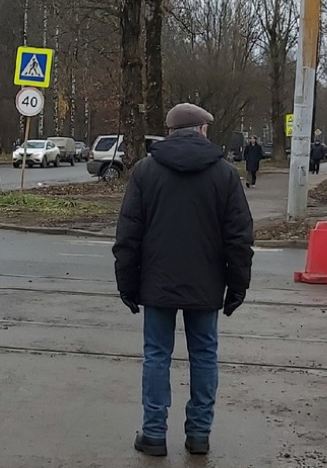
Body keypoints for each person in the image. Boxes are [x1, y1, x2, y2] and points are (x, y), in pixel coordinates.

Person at [113, 103, 254, 457]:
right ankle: (199, 435)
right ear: (202, 130)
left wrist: (127, 284)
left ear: (170, 132)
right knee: (204, 355)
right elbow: (239, 237)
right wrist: (237, 285)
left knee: (156, 357)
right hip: (206, 286)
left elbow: (128, 234)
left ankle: (154, 434)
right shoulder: (223, 173)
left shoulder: (145, 171)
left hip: (157, 284)